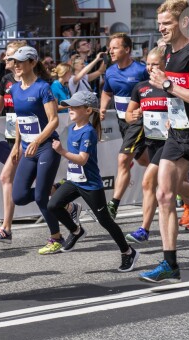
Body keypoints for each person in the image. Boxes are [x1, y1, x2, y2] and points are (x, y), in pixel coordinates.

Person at [139, 0, 189, 283]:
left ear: (183, 23)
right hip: (179, 136)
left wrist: (168, 85)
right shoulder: (167, 55)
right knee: (164, 194)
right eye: (159, 23)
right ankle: (169, 263)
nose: (161, 28)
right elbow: (174, 95)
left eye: (167, 23)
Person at [48, 91, 140, 271]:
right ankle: (76, 230)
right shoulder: (73, 128)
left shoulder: (88, 132)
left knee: (105, 221)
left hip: (90, 184)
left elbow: (82, 159)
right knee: (53, 205)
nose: (70, 109)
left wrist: (61, 152)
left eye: (75, 106)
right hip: (74, 180)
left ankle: (128, 252)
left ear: (88, 110)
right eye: (70, 106)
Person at [124, 47, 189, 243]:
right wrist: (133, 115)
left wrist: (175, 120)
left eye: (156, 64)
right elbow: (129, 115)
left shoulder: (172, 86)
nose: (151, 68)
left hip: (173, 141)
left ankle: (143, 229)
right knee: (174, 184)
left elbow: (187, 110)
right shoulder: (141, 87)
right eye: (148, 64)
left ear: (165, 66)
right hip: (152, 141)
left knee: (148, 181)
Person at [7, 46, 64, 254]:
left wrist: (37, 141)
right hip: (27, 149)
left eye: (21, 62)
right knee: (19, 196)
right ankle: (60, 194)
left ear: (32, 63)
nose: (16, 65)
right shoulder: (14, 88)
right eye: (15, 62)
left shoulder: (43, 88)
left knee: (40, 196)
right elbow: (19, 120)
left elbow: (54, 120)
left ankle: (56, 238)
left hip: (46, 147)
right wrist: (16, 145)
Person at [99, 32, 150, 218]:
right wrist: (103, 108)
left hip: (139, 121)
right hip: (123, 122)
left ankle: (113, 205)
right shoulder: (111, 71)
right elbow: (107, 92)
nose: (110, 51)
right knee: (145, 160)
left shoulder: (140, 70)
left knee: (123, 160)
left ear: (127, 49)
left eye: (115, 47)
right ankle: (176, 181)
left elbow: (152, 91)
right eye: (110, 48)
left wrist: (142, 109)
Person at [0, 40, 27, 243]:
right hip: (11, 135)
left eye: (8, 55)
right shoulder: (6, 79)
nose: (5, 58)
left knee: (6, 178)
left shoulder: (30, 80)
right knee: (29, 182)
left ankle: (6, 229)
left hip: (29, 136)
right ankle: (69, 207)